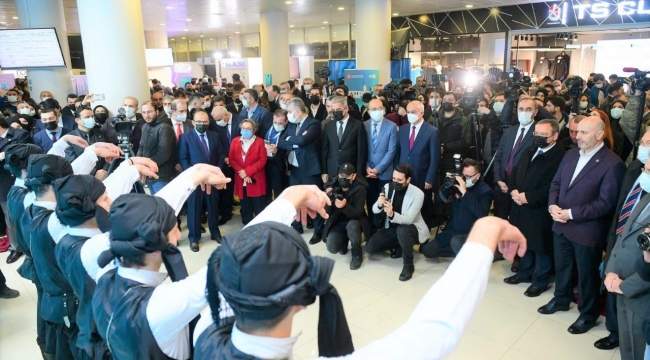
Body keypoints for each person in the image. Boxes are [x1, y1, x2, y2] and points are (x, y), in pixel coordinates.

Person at [90, 165, 230, 360]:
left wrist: (194, 175)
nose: (178, 232)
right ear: (158, 246)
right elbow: (236, 257)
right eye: (174, 227)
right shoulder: (161, 306)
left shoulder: (105, 272)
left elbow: (140, 220)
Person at [540, 116, 625, 335]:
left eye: (584, 133)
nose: (577, 136)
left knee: (587, 275)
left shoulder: (612, 163)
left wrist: (570, 214)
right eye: (577, 132)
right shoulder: (569, 154)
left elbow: (605, 203)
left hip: (587, 230)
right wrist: (552, 207)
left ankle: (588, 314)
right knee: (562, 267)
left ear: (600, 134)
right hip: (560, 223)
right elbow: (556, 183)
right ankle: (561, 299)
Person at [596, 129, 650, 354]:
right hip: (620, 285)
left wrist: (625, 286)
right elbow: (623, 232)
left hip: (641, 297)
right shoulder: (644, 195)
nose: (645, 172)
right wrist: (611, 271)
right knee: (627, 350)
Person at [504, 119, 566, 297]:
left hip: (539, 209)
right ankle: (524, 273)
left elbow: (553, 185)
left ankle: (540, 281)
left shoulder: (560, 156)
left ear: (554, 136)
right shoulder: (530, 150)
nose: (538, 138)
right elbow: (515, 171)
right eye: (536, 134)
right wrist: (514, 189)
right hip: (520, 205)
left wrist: (528, 197)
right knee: (524, 242)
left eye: (543, 135)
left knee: (541, 247)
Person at [366, 163, 430, 281]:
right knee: (370, 248)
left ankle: (408, 265)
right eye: (394, 178)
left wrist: (391, 214)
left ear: (408, 179)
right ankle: (400, 245)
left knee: (402, 230)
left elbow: (409, 219)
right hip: (392, 228)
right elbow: (374, 210)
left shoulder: (418, 194)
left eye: (399, 180)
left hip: (412, 228)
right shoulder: (387, 187)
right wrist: (379, 204)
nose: (395, 182)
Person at [421, 158, 492, 258]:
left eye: (469, 176)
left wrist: (465, 193)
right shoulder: (457, 184)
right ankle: (462, 252)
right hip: (453, 230)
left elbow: (482, 214)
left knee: (456, 242)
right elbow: (439, 200)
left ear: (478, 176)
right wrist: (447, 185)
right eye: (464, 175)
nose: (465, 179)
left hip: (471, 233)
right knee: (427, 251)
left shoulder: (485, 191)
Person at [179, 109, 227, 251]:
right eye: (199, 121)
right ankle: (194, 238)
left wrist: (214, 175)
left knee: (213, 207)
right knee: (194, 209)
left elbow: (220, 155)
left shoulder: (214, 136)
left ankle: (215, 233)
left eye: (205, 121)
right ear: (193, 122)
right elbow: (184, 158)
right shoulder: (186, 137)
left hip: (212, 179)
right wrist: (196, 177)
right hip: (195, 181)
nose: (202, 124)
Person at [277, 98, 323, 234]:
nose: (288, 114)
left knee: (315, 200)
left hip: (309, 169)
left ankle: (318, 230)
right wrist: (295, 142)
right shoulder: (291, 124)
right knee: (295, 201)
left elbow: (304, 140)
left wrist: (291, 140)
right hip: (294, 169)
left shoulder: (313, 123)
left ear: (297, 111)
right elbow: (280, 141)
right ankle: (297, 227)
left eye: (290, 111)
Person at [395, 100, 441, 229]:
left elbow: (435, 158)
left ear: (421, 113)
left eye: (413, 112)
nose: (410, 115)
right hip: (403, 177)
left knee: (424, 206)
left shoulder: (432, 131)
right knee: (404, 205)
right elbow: (399, 153)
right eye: (408, 112)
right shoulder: (402, 130)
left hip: (422, 177)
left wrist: (430, 179)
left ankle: (423, 236)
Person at [492, 97, 537, 220]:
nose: (524, 112)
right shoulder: (509, 131)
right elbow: (498, 157)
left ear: (535, 112)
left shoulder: (538, 133)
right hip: (502, 184)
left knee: (517, 222)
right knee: (499, 221)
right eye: (521, 109)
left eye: (528, 109)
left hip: (521, 188)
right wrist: (498, 179)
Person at [322, 163, 369, 269]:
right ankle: (343, 241)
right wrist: (328, 200)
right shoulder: (333, 186)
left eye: (346, 176)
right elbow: (327, 214)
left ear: (353, 176)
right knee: (332, 248)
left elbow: (358, 213)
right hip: (338, 221)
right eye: (341, 176)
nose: (343, 179)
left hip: (355, 221)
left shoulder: (360, 189)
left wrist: (344, 206)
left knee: (352, 226)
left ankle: (357, 253)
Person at [0, 116, 32, 264]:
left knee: (28, 212)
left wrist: (5, 156)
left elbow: (26, 155)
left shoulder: (20, 134)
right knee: (9, 216)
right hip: (2, 182)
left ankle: (32, 244)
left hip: (22, 179)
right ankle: (16, 247)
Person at [364, 99, 398, 232]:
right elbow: (363, 149)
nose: (377, 111)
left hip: (385, 173)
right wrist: (367, 166)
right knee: (371, 201)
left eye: (379, 108)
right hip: (367, 172)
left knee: (384, 202)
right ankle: (372, 230)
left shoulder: (392, 126)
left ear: (383, 109)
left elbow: (391, 151)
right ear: (368, 111)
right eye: (373, 109)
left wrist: (377, 170)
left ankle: (384, 230)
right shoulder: (364, 125)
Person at [229, 119, 267, 225]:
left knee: (258, 206)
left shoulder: (260, 142)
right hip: (241, 179)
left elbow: (262, 160)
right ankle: (247, 227)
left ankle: (261, 229)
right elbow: (232, 159)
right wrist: (242, 173)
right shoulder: (235, 141)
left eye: (248, 129)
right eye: (243, 128)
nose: (245, 130)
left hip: (256, 179)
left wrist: (247, 172)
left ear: (253, 130)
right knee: (245, 206)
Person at [212, 105, 244, 225]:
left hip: (242, 161)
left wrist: (236, 158)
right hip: (225, 160)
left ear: (226, 115)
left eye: (219, 119)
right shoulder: (215, 124)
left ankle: (245, 211)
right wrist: (225, 157)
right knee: (226, 189)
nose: (217, 122)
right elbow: (217, 142)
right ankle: (226, 213)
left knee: (243, 187)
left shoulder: (241, 120)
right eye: (216, 119)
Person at [137, 101, 176, 194]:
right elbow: (141, 147)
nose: (147, 115)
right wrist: (139, 164)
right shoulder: (145, 126)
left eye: (149, 112)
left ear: (157, 112)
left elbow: (163, 153)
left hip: (162, 176)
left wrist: (145, 166)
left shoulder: (165, 127)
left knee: (163, 205)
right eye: (144, 112)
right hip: (149, 174)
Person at [263, 109, 289, 204]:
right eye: (275, 122)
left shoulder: (289, 130)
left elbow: (289, 147)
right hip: (265, 162)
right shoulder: (266, 124)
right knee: (266, 189)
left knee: (279, 190)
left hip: (279, 164)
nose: (277, 125)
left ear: (286, 122)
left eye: (280, 123)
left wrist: (278, 151)